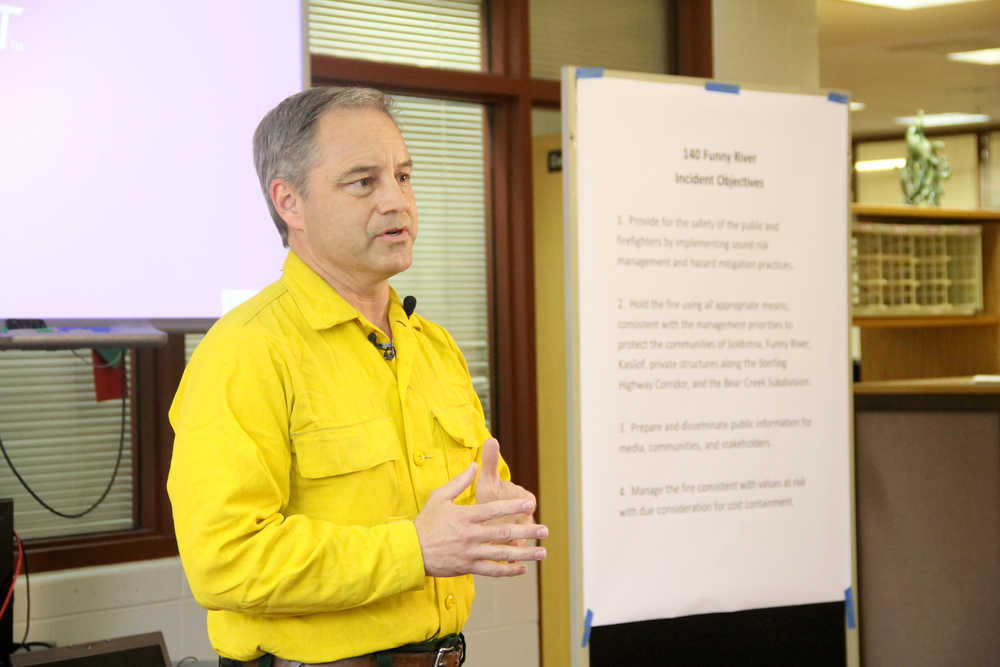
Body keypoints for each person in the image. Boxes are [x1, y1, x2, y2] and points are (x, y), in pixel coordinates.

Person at [167, 87, 547, 667]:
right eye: (363, 182)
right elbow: (224, 560)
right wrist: (413, 549)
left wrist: (492, 514)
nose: (397, 201)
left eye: (403, 175)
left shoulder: (433, 346)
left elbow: (450, 514)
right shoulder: (247, 350)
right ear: (289, 202)